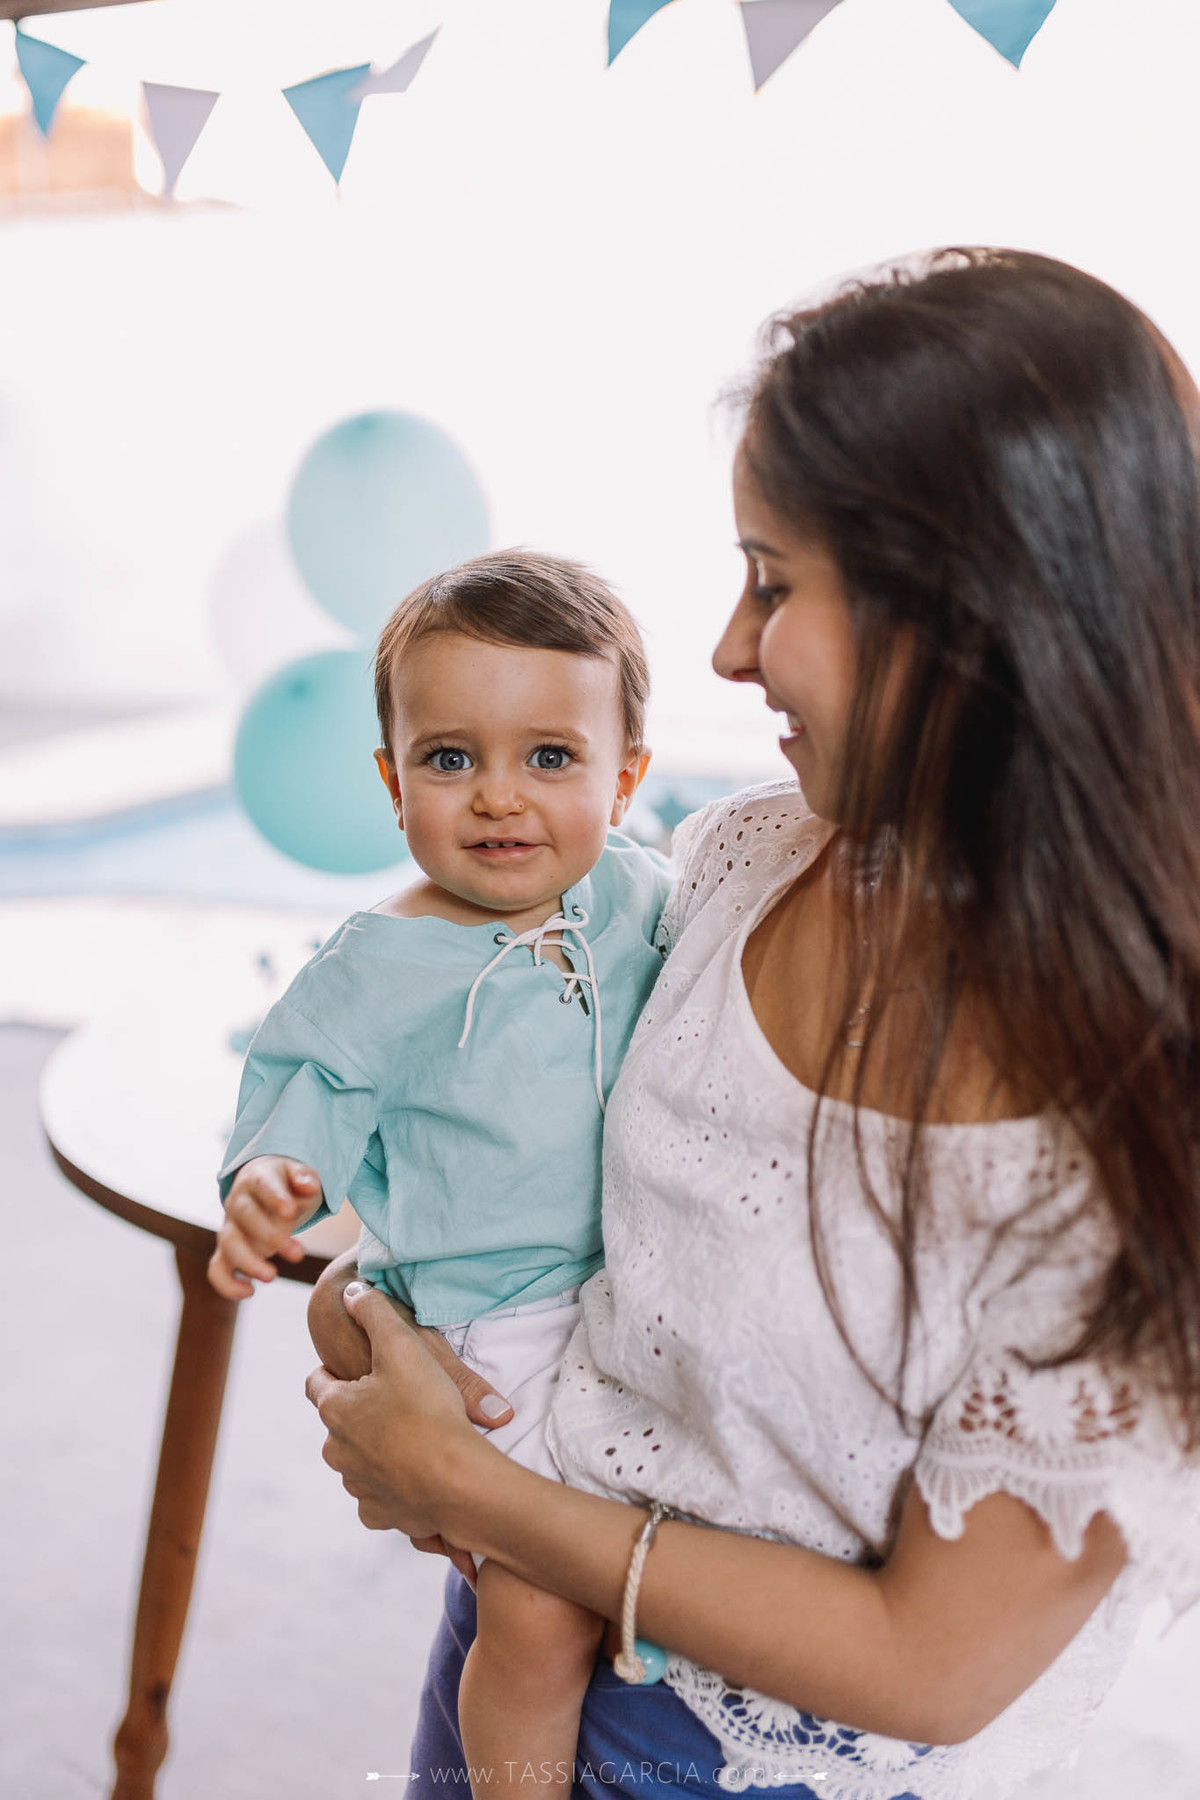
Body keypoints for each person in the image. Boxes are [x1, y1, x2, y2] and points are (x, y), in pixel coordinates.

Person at [306, 248, 1200, 1800]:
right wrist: (398, 1319)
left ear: (973, 616)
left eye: (774, 584)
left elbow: (932, 1668)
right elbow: (566, 1171)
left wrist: (473, 1490)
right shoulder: (744, 860)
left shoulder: (1137, 1123)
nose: (727, 648)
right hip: (525, 1630)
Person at [209, 550, 674, 1800]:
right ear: (392, 780)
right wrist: (272, 1183)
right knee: (539, 1611)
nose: (499, 800)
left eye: (552, 758)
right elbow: (302, 1090)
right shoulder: (380, 961)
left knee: (652, 1546)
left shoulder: (638, 893)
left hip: (645, 1281)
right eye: (452, 758)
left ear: (627, 777)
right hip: (498, 1314)